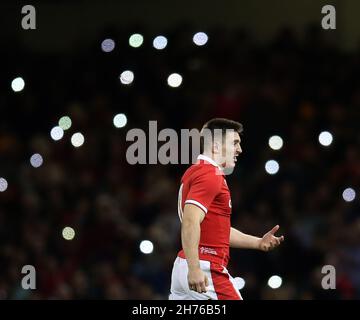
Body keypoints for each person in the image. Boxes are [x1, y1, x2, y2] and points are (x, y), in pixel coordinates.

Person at [169, 118, 284, 300]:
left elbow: (217, 231)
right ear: (215, 146)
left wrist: (257, 242)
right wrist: (195, 268)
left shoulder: (195, 171)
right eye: (235, 143)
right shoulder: (210, 175)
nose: (240, 149)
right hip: (205, 267)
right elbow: (190, 221)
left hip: (183, 266)